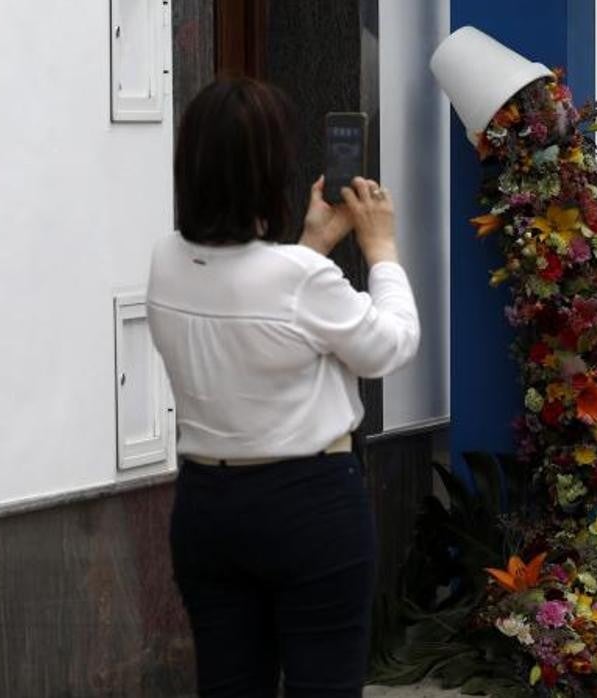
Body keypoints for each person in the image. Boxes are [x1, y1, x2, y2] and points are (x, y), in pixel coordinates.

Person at [147, 78, 420, 697]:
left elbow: (261, 302)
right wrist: (380, 249)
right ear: (267, 172)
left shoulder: (166, 261)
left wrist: (316, 242)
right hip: (309, 506)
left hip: (206, 507)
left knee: (228, 684)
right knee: (323, 683)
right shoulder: (296, 279)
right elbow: (391, 345)